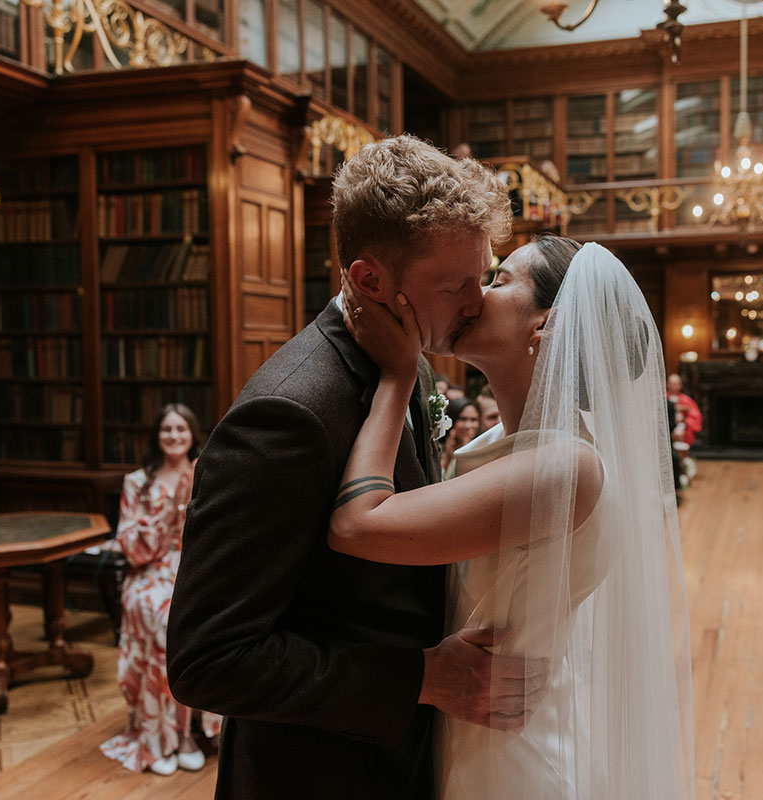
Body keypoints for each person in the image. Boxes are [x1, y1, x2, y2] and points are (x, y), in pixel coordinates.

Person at [166, 134, 532, 798]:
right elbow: (208, 661)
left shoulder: (409, 360)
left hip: (404, 759)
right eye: (455, 285)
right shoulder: (289, 413)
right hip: (317, 775)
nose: (478, 301)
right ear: (370, 280)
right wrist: (422, 677)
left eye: (485, 274)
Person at [329, 236, 695, 799]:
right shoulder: (518, 441)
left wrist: (399, 376)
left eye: (498, 281)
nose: (474, 295)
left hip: (510, 757)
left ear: (545, 328)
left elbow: (356, 525)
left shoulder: (565, 466)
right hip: (480, 719)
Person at [100, 404, 223, 775]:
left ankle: (205, 730)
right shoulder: (138, 482)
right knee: (162, 615)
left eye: (181, 429)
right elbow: (131, 548)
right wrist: (165, 511)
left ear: (192, 434)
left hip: (195, 569)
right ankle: (167, 737)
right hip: (149, 571)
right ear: (157, 435)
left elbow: (219, 533)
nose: (173, 435)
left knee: (214, 612)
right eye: (166, 429)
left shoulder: (206, 474)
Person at [441, 398, 481, 479]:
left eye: (474, 420)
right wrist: (448, 459)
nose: (468, 425)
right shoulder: (439, 449)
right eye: (463, 419)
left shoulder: (482, 447)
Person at [667, 373, 703, 447]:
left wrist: (684, 420)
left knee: (679, 434)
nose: (673, 386)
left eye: (675, 384)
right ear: (667, 384)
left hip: (681, 427)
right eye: (671, 384)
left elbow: (695, 415)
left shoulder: (686, 400)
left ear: (680, 385)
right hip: (666, 425)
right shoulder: (663, 398)